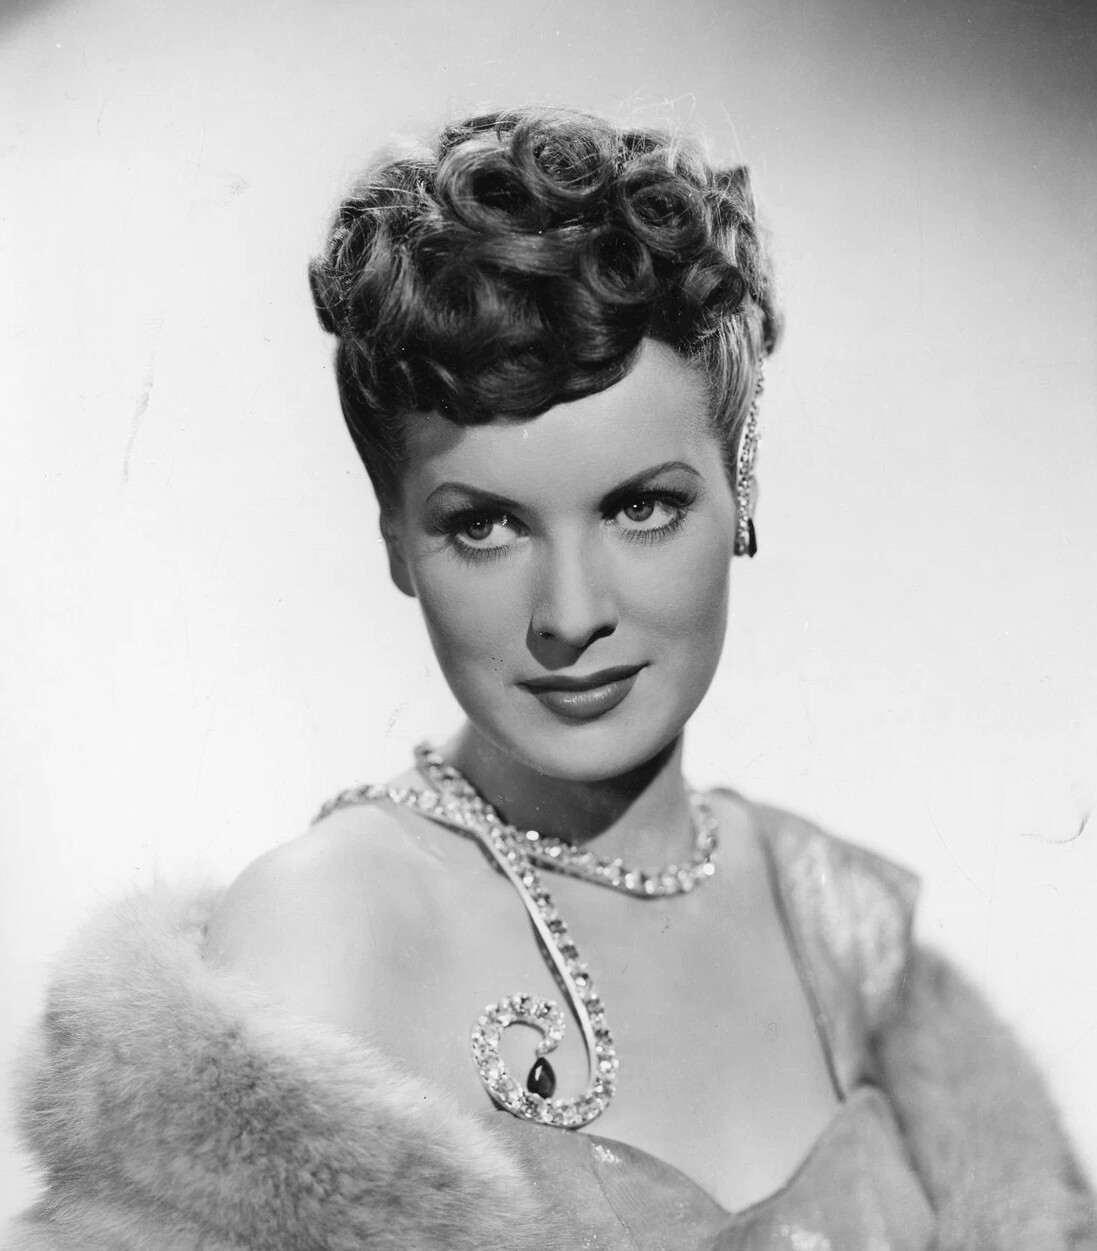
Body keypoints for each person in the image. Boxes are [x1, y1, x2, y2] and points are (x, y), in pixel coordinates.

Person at [6, 107, 1094, 1251]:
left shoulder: (834, 919)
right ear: (394, 537)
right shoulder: (326, 930)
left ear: (740, 489)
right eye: (483, 526)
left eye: (641, 507)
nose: (570, 616)